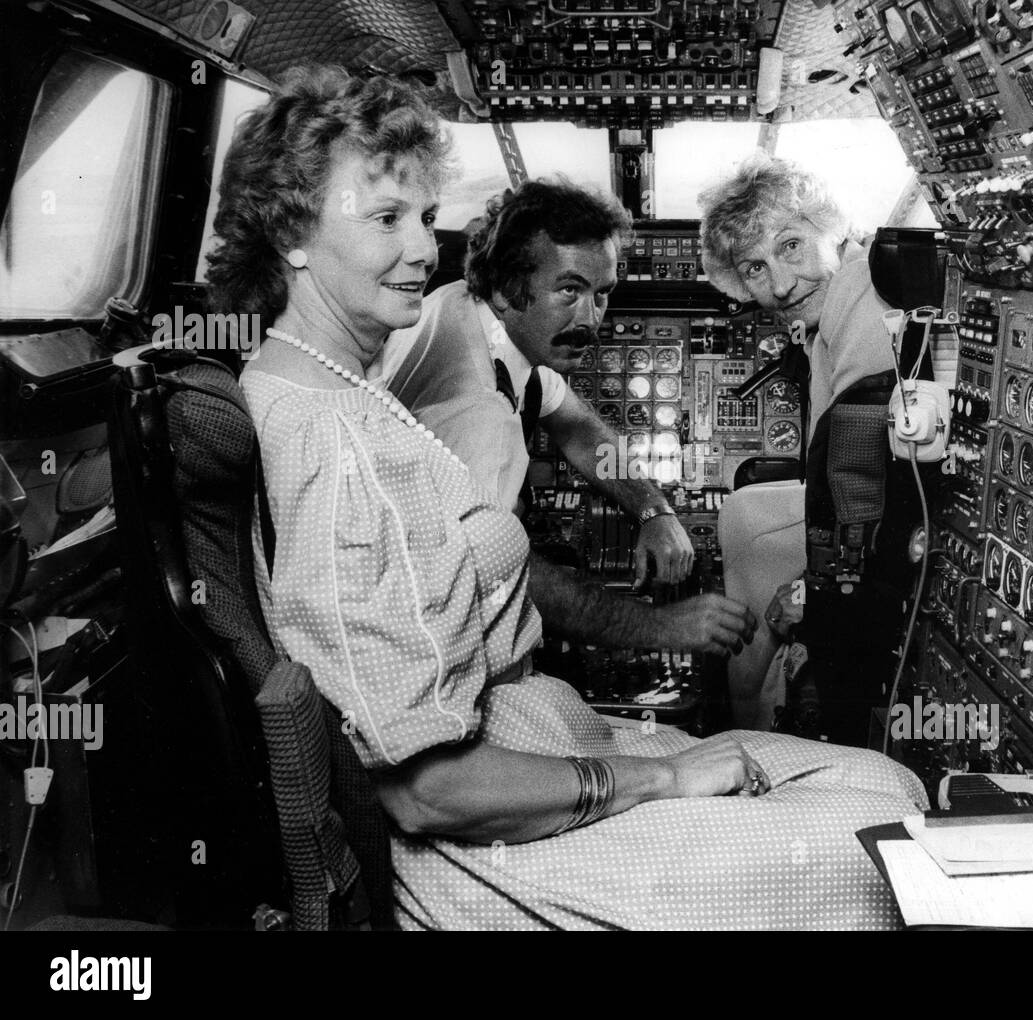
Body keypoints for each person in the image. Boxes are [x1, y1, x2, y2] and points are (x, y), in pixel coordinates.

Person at [209, 65, 927, 930]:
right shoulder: (356, 443)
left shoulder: (344, 382)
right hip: (474, 841)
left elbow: (573, 417)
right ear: (290, 232)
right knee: (887, 839)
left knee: (881, 782)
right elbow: (428, 791)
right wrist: (663, 771)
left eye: (426, 218)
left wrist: (653, 507)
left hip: (526, 738)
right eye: (385, 219)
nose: (421, 249)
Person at [377, 178, 755, 658]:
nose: (590, 318)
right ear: (506, 287)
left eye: (601, 293)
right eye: (569, 290)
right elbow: (496, 574)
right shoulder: (476, 410)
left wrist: (652, 508)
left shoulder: (476, 311)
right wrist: (658, 627)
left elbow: (578, 430)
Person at [699, 154, 904, 738]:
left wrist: (818, 590)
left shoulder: (864, 302)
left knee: (746, 522)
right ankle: (749, 711)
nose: (782, 284)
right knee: (746, 511)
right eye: (755, 268)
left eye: (791, 246)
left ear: (830, 228)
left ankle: (757, 726)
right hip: (853, 492)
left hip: (883, 515)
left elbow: (860, 471)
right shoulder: (831, 306)